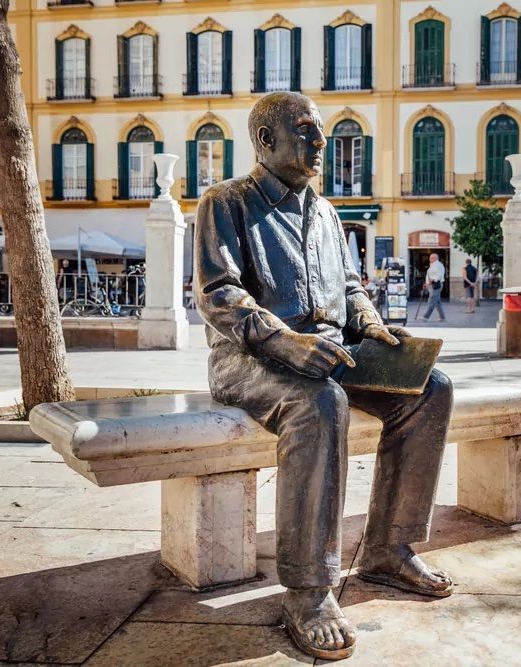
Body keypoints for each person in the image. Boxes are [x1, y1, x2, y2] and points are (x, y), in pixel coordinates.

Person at [194, 92, 453, 661]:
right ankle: (309, 589)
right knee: (320, 403)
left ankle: (388, 548)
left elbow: (352, 288)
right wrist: (281, 339)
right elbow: (218, 293)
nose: (321, 143)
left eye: (322, 132)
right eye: (307, 130)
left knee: (430, 388)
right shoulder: (226, 203)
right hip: (250, 359)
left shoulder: (328, 213)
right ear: (265, 140)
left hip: (333, 350)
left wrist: (374, 326)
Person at [420, 252, 446, 321]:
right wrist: (427, 283)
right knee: (437, 302)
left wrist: (430, 282)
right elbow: (429, 275)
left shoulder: (438, 265)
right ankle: (442, 317)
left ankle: (426, 316)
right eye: (430, 257)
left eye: (431, 257)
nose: (429, 259)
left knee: (432, 300)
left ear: (436, 258)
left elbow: (438, 276)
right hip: (431, 285)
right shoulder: (432, 265)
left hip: (436, 285)